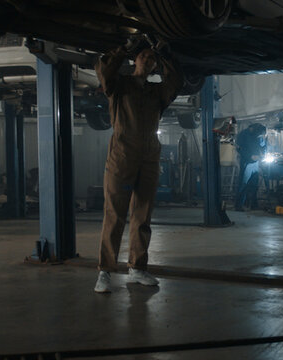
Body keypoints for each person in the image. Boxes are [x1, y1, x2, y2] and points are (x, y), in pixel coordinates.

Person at [93, 37, 183, 293]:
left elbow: (176, 83)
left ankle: (137, 268)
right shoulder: (119, 86)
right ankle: (105, 272)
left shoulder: (156, 92)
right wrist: (122, 48)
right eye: (144, 56)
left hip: (149, 158)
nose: (148, 60)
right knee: (114, 215)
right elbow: (103, 68)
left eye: (152, 58)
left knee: (142, 215)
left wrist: (165, 56)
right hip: (122, 156)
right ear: (136, 60)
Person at [234, 123, 266, 211]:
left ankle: (254, 205)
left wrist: (263, 150)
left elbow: (261, 146)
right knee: (243, 184)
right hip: (247, 163)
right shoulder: (243, 135)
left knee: (254, 185)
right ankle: (238, 205)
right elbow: (239, 148)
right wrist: (250, 156)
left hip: (255, 163)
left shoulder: (258, 135)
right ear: (253, 129)